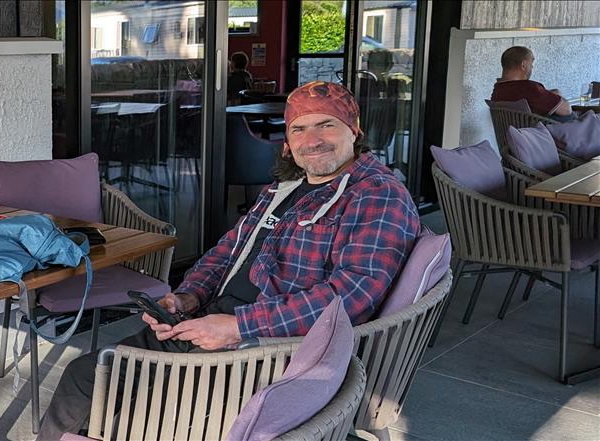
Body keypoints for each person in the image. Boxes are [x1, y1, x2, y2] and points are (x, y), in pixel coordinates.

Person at [37, 81, 421, 440]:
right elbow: (225, 253)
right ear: (286, 143)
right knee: (86, 377)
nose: (313, 141)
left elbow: (350, 297)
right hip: (214, 324)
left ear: (354, 131)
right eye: (299, 130)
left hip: (269, 351)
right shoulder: (284, 188)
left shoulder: (376, 195)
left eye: (326, 125)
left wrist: (237, 326)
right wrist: (186, 298)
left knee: (123, 402)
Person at [490, 46, 574, 122]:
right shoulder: (529, 89)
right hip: (547, 136)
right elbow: (566, 110)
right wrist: (557, 94)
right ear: (523, 65)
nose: (532, 67)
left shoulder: (498, 91)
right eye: (531, 63)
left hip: (517, 136)